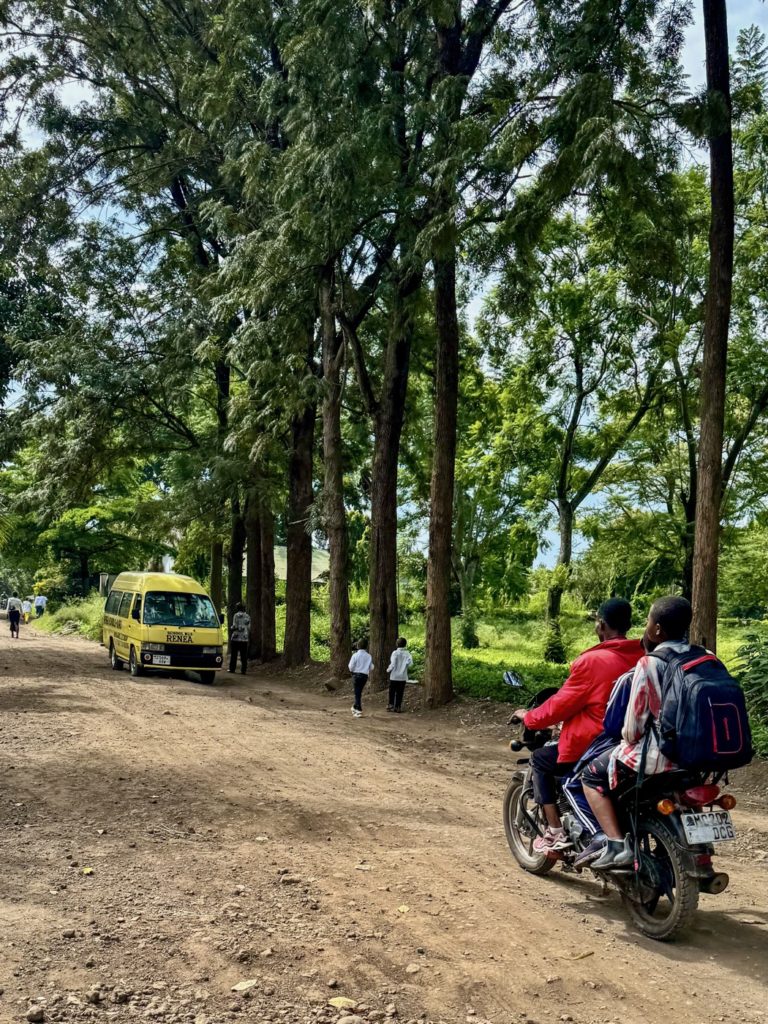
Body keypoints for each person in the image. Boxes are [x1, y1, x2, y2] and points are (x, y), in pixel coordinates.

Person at [510, 599, 643, 854]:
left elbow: (560, 704)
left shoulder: (592, 661)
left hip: (593, 743)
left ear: (601, 625)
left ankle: (554, 832)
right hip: (630, 742)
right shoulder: (642, 656)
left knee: (540, 759)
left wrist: (529, 717)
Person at [582, 596, 693, 870]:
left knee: (590, 775)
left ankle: (616, 843)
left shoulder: (650, 663)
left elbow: (632, 730)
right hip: (696, 756)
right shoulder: (705, 656)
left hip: (658, 757)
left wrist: (627, 737)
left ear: (656, 630)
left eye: (649, 621)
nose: (647, 626)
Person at [387, 637, 413, 713]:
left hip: (394, 676)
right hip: (402, 677)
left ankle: (391, 704)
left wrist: (388, 669)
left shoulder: (395, 653)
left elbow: (393, 663)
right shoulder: (407, 653)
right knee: (400, 692)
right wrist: (406, 664)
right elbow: (410, 664)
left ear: (397, 644)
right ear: (405, 644)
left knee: (392, 691)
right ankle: (398, 707)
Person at [348, 639, 373, 718]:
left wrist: (352, 670)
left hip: (356, 675)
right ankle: (355, 706)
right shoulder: (369, 656)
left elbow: (350, 666)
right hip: (364, 676)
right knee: (359, 692)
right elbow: (372, 667)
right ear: (367, 646)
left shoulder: (355, 655)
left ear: (357, 646)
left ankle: (358, 710)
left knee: (357, 693)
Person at [228, 602, 251, 675]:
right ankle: (243, 670)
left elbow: (234, 626)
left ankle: (232, 669)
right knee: (244, 655)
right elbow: (249, 628)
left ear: (237, 608)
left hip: (236, 637)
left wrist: (231, 628)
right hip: (244, 638)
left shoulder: (236, 615)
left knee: (234, 654)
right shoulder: (247, 616)